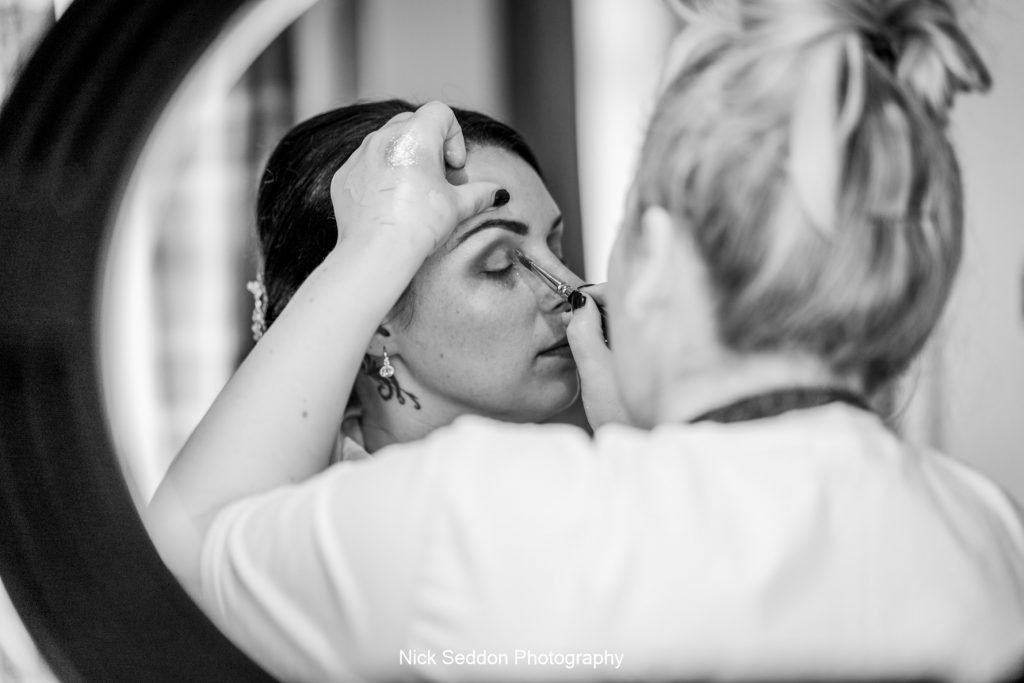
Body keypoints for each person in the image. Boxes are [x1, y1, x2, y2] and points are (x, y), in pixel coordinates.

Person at [145, 0, 1024, 680]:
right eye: (498, 262)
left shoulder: (487, 519)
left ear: (664, 261)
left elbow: (167, 576)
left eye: (559, 242)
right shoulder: (989, 524)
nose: (569, 292)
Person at [246, 99, 582, 461]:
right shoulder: (323, 511)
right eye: (498, 264)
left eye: (557, 251)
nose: (570, 288)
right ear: (377, 321)